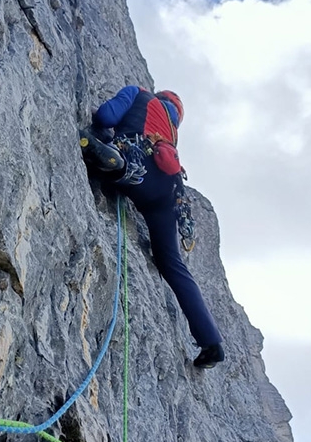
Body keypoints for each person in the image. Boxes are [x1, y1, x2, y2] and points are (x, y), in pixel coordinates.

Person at [80, 85, 224, 369]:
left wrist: (101, 119)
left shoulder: (139, 93)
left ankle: (115, 163)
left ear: (160, 97)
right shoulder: (171, 134)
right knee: (172, 265)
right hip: (167, 193)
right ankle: (211, 343)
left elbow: (106, 117)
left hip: (137, 165)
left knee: (120, 160)